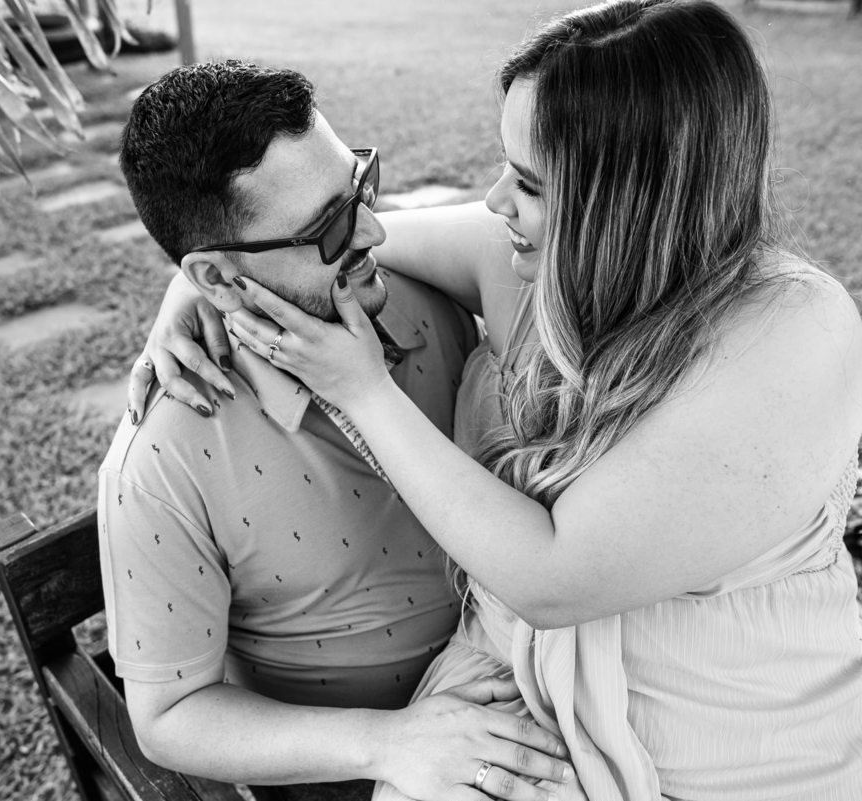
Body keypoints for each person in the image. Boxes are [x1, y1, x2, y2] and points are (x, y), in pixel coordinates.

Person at [131, 1, 862, 799]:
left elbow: (553, 577)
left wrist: (362, 388)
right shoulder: (536, 262)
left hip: (740, 761)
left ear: (626, 204)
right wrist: (207, 283)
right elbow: (346, 238)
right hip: (516, 718)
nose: (496, 200)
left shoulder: (795, 332)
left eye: (529, 182)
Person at [98, 60, 578, 801]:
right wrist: (390, 743)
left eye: (360, 186)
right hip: (348, 768)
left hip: (532, 687)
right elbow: (168, 717)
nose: (374, 230)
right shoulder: (163, 460)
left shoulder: (426, 300)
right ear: (218, 279)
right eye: (327, 229)